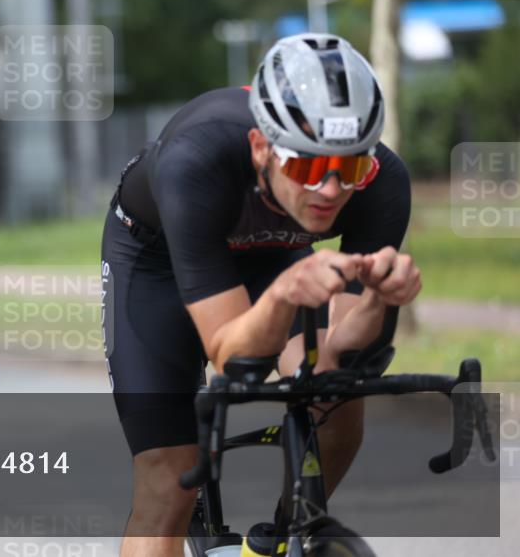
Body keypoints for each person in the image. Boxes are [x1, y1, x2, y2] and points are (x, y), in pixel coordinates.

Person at [101, 33, 420, 557]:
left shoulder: (383, 185)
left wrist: (379, 300)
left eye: (352, 167)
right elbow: (234, 356)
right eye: (309, 167)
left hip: (273, 258)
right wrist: (284, 295)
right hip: (155, 261)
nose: (332, 190)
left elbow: (345, 355)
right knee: (171, 478)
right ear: (260, 148)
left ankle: (280, 537)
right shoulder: (196, 161)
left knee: (339, 396)